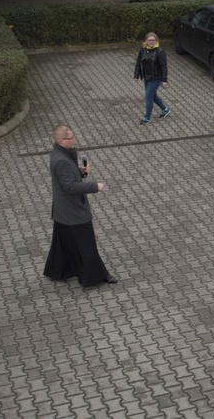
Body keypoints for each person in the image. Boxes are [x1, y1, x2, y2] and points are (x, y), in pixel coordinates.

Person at [43, 125, 117, 287]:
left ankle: (58, 270)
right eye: (71, 138)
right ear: (61, 141)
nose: (74, 140)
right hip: (72, 212)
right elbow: (70, 187)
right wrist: (94, 186)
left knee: (63, 244)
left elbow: (67, 177)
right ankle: (96, 276)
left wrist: (80, 172)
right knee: (87, 244)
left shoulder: (60, 154)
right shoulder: (61, 160)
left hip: (62, 213)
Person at [134, 32, 170, 125]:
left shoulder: (160, 51)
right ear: (146, 41)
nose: (151, 42)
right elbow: (138, 63)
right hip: (146, 77)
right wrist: (136, 75)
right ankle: (165, 110)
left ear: (156, 41)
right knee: (153, 96)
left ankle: (147, 118)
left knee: (148, 97)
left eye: (153, 40)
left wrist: (164, 80)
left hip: (156, 78)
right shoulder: (143, 49)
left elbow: (164, 67)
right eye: (149, 40)